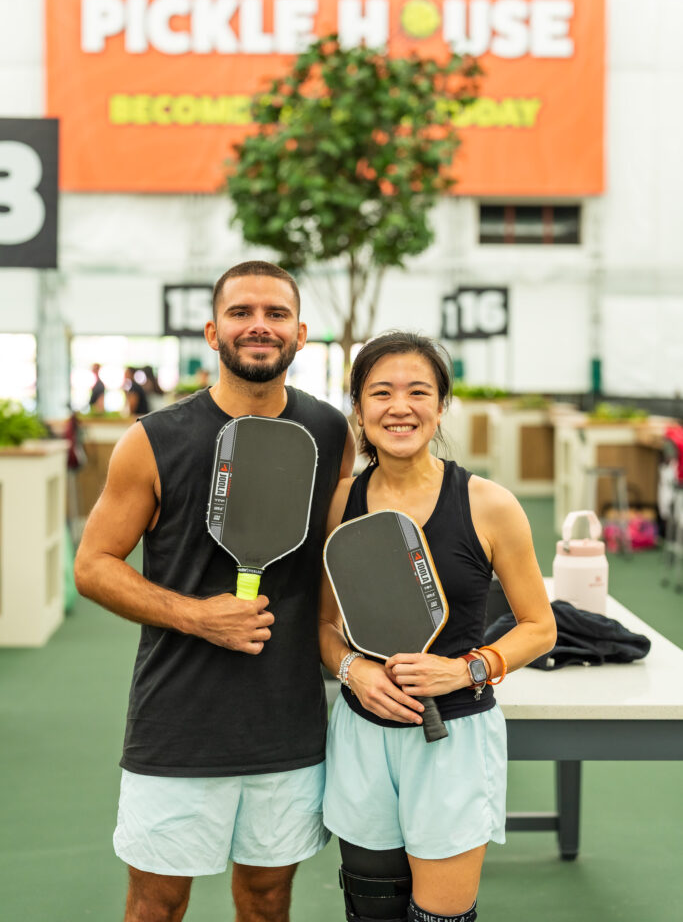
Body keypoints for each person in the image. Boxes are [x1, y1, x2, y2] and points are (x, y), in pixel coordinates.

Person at [75, 261, 356, 922]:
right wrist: (196, 616)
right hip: (177, 721)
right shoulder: (152, 440)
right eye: (241, 312)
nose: (259, 326)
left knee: (267, 901)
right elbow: (93, 565)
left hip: (286, 721)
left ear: (300, 334)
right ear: (212, 331)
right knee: (156, 905)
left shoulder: (329, 432)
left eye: (276, 313)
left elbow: (336, 559)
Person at [319, 332, 556, 922]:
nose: (400, 407)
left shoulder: (490, 504)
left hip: (456, 740)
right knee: (371, 912)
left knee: (440, 919)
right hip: (362, 735)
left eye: (418, 392)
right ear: (359, 409)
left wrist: (466, 669)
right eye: (381, 393)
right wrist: (353, 670)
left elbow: (539, 627)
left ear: (442, 406)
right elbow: (323, 624)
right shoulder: (339, 504)